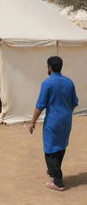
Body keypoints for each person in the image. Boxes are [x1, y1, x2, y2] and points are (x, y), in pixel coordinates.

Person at [28, 56, 78, 191]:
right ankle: (53, 172)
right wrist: (66, 113)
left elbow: (40, 105)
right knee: (61, 145)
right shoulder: (69, 82)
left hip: (53, 121)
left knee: (49, 149)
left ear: (49, 67)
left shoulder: (47, 83)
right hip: (66, 120)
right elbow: (74, 103)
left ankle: (58, 181)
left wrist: (32, 121)